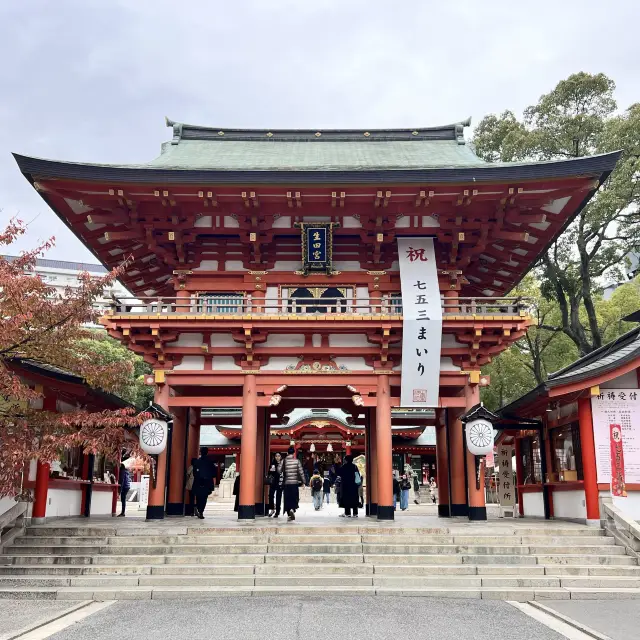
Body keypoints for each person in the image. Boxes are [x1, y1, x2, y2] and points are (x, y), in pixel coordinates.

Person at [282, 447, 305, 521]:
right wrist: (304, 481)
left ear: (287, 453)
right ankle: (293, 509)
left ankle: (289, 514)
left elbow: (279, 470)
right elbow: (301, 472)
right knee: (294, 497)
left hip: (287, 483)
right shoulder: (297, 461)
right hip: (294, 483)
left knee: (287, 498)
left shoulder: (284, 461)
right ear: (294, 453)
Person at [193, 447, 215, 519]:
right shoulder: (210, 462)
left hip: (198, 482)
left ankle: (199, 510)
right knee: (204, 498)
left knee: (199, 497)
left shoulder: (197, 462)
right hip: (207, 483)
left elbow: (194, 473)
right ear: (207, 452)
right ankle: (201, 511)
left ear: (200, 452)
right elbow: (213, 473)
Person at [267, 453, 284, 518]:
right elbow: (269, 473)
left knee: (278, 497)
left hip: (280, 482)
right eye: (276, 456)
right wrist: (272, 470)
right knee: (271, 495)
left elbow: (284, 473)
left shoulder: (282, 464)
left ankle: (277, 511)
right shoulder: (272, 464)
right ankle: (272, 509)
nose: (277, 457)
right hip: (273, 482)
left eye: (279, 456)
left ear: (281, 457)